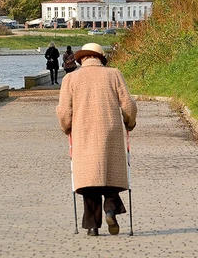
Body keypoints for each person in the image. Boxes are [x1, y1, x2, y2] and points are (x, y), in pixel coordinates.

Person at [56, 43, 137, 236]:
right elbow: (129, 105)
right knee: (110, 174)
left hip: (83, 133)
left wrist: (66, 127)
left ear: (82, 59)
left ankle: (92, 227)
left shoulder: (71, 78)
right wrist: (129, 122)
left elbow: (64, 111)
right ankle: (110, 210)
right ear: (100, 58)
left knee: (90, 179)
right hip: (110, 132)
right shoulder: (113, 74)